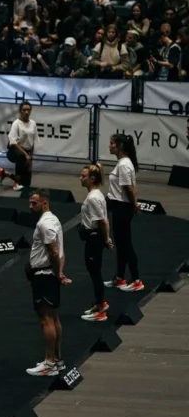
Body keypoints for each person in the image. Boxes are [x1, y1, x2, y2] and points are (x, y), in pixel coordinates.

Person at [26, 189, 66, 377]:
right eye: (30, 203)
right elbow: (60, 252)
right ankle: (57, 360)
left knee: (46, 319)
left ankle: (49, 363)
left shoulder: (45, 224)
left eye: (34, 203)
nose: (30, 206)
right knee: (54, 318)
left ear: (44, 203)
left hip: (44, 275)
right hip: (49, 274)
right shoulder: (54, 220)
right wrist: (59, 273)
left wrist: (57, 273)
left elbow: (55, 251)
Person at [106, 134, 143, 293]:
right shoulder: (123, 163)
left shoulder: (124, 165)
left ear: (120, 146)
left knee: (126, 244)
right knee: (121, 244)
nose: (110, 146)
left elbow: (129, 188)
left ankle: (136, 280)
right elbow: (133, 186)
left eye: (112, 143)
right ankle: (120, 277)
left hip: (122, 207)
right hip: (118, 206)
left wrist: (134, 204)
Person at [79, 163, 113, 322]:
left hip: (94, 238)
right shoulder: (96, 194)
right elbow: (104, 219)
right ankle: (100, 303)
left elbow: (103, 221)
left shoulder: (93, 198)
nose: (80, 178)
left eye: (83, 176)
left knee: (95, 273)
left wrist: (106, 239)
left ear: (92, 179)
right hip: (94, 237)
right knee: (94, 271)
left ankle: (100, 309)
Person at [0, 101, 37, 190]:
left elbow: (33, 142)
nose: (26, 112)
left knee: (26, 184)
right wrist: (25, 155)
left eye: (28, 110)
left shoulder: (33, 123)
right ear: (20, 111)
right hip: (14, 151)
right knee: (21, 156)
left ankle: (3, 173)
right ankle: (16, 183)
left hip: (27, 153)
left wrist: (31, 158)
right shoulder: (16, 123)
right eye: (24, 110)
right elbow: (13, 142)